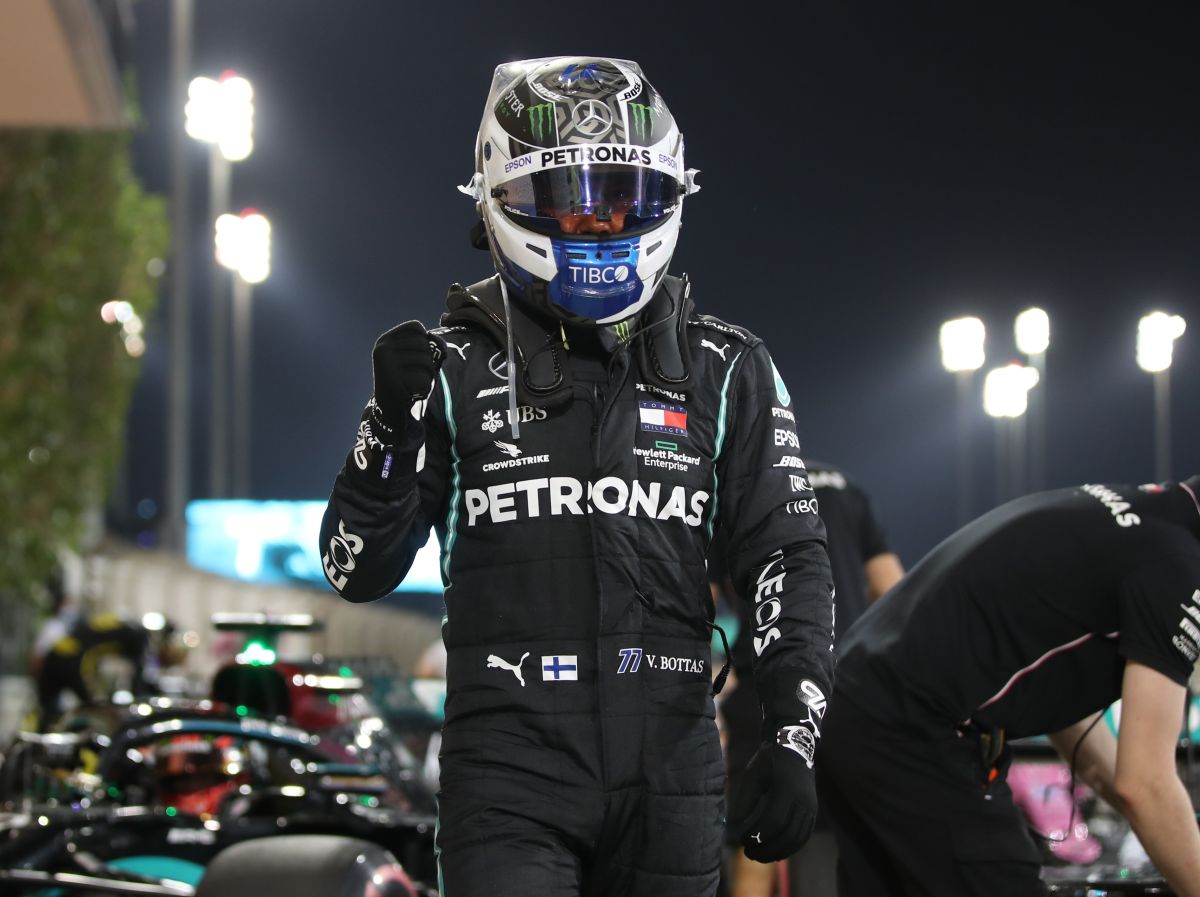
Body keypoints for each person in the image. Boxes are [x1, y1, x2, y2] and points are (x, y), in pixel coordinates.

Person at [319, 56, 835, 897]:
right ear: (499, 199)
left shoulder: (730, 366)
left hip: (674, 774)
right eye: (571, 200)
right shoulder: (445, 368)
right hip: (506, 773)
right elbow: (353, 569)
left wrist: (792, 731)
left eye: (623, 197)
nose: (600, 225)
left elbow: (790, 557)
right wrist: (387, 428)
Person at [817, 477, 1200, 897]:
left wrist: (1108, 781)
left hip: (850, 703)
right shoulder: (1175, 570)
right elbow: (1145, 786)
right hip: (914, 725)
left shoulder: (1124, 511)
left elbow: (1047, 672)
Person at [718, 462, 903, 897]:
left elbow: (696, 600)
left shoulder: (743, 487)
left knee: (756, 833)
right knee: (840, 840)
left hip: (767, 687)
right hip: (848, 688)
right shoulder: (847, 487)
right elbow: (892, 588)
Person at [35, 611, 186, 729]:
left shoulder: (128, 625)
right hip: (73, 659)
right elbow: (138, 676)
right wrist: (138, 702)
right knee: (95, 708)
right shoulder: (141, 636)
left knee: (48, 717)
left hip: (55, 654)